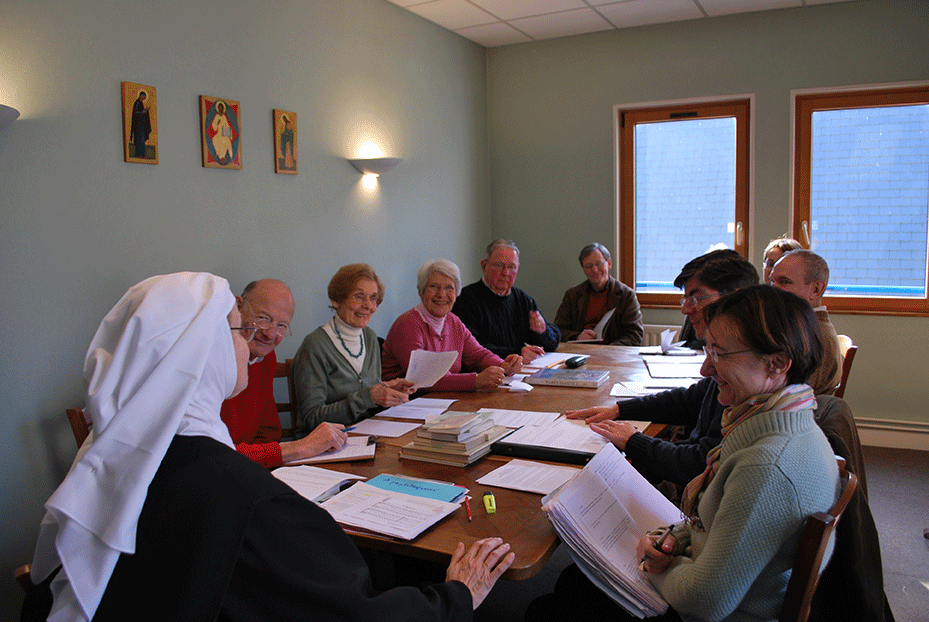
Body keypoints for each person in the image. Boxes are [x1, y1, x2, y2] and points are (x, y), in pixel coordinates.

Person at [24, 272, 514, 622]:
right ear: (205, 351)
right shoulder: (252, 500)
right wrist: (456, 596)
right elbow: (352, 610)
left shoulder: (100, 467)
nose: (255, 340)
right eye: (242, 328)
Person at [529, 285, 840, 622]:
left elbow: (704, 601)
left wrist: (657, 566)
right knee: (573, 585)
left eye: (720, 354)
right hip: (734, 585)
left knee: (548, 608)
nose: (706, 368)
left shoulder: (766, 465)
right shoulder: (782, 420)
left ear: (777, 364)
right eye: (708, 350)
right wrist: (676, 541)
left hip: (726, 610)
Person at [567, 249, 758, 488]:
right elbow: (690, 400)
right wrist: (619, 409)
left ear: (736, 298)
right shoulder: (732, 359)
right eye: (685, 299)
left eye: (696, 299)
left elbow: (703, 462)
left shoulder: (750, 369)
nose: (686, 309)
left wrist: (634, 441)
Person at [219, 279, 347, 468]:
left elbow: (268, 433)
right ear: (238, 305)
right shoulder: (210, 360)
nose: (271, 334)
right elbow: (213, 454)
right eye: (263, 318)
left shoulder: (266, 358)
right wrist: (302, 447)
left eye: (282, 326)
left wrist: (262, 458)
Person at [292, 264, 413, 436]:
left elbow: (368, 401)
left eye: (373, 298)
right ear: (336, 299)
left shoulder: (370, 338)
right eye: (359, 297)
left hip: (365, 437)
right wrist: (369, 397)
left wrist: (388, 392)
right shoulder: (314, 346)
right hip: (324, 445)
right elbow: (311, 418)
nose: (368, 306)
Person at [381, 259, 523, 391]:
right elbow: (424, 379)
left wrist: (502, 365)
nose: (442, 294)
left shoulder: (453, 321)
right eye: (434, 287)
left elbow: (478, 355)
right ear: (421, 291)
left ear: (456, 293)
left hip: (442, 401)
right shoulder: (407, 325)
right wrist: (476, 380)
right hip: (404, 406)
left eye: (449, 288)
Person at [452, 238, 560, 363]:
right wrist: (517, 352)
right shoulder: (466, 299)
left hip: (520, 372)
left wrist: (542, 331)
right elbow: (471, 349)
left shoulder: (523, 299)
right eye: (499, 265)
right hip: (485, 373)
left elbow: (553, 342)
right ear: (484, 266)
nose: (505, 272)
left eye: (512, 267)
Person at [769, 249, 842, 395]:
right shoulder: (800, 327)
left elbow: (791, 396)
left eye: (785, 282)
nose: (773, 289)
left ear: (816, 290)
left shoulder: (814, 337)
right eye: (772, 281)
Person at [554, 243, 644, 345]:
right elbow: (558, 330)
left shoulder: (626, 295)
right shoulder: (573, 295)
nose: (595, 270)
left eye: (599, 264)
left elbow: (634, 335)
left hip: (613, 355)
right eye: (589, 266)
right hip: (580, 352)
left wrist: (607, 351)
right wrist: (577, 336)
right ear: (583, 269)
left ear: (609, 263)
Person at [129, 90, 151, 159]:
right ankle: (139, 154)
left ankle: (142, 154)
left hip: (141, 125)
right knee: (139, 141)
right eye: (144, 97)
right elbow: (136, 113)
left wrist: (145, 111)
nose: (144, 99)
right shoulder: (137, 103)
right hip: (138, 126)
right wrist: (142, 112)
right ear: (141, 96)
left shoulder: (141, 103)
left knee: (142, 141)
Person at [211, 100, 233, 165]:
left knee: (227, 141)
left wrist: (228, 132)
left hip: (224, 134)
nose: (221, 109)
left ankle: (227, 157)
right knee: (215, 139)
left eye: (222, 107)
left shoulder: (224, 117)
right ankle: (219, 156)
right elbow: (214, 126)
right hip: (218, 134)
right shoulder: (217, 116)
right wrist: (217, 123)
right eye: (219, 107)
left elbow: (227, 126)